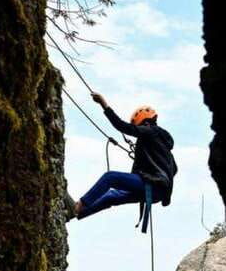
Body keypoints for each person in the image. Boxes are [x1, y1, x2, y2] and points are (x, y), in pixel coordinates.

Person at [67, 93, 177, 221]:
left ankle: (78, 206)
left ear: (144, 123)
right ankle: (74, 214)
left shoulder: (151, 131)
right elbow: (174, 169)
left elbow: (121, 126)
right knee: (111, 196)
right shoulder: (163, 146)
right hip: (157, 192)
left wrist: (103, 104)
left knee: (110, 177)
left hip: (152, 185)